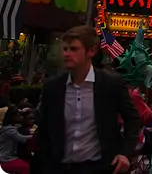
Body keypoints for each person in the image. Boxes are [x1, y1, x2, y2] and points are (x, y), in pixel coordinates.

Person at [34, 25, 142, 174]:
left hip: (99, 167)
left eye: (74, 49)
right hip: (59, 167)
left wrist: (125, 153)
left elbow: (133, 119)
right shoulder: (53, 87)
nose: (67, 54)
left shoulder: (110, 84)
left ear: (91, 51)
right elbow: (44, 128)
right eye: (65, 49)